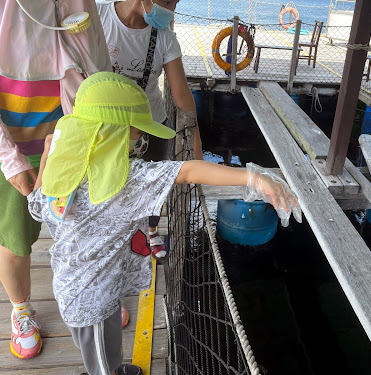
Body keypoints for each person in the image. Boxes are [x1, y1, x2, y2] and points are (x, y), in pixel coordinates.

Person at [27, 72, 301, 375]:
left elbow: (36, 206)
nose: (140, 142)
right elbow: (187, 171)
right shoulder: (129, 181)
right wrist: (253, 178)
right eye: (134, 135)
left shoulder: (64, 175)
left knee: (105, 349)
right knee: (101, 362)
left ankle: (113, 367)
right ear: (113, 136)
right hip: (90, 304)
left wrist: (47, 158)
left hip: (77, 288)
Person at [0, 0, 117, 359]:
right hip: (14, 143)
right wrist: (10, 160)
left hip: (75, 137)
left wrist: (109, 134)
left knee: (88, 229)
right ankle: (21, 310)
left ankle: (95, 300)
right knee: (15, 239)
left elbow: (97, 63)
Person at [97, 0, 204, 262]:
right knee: (107, 188)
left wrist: (196, 139)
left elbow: (182, 96)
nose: (171, 9)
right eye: (167, 1)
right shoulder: (97, 15)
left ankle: (151, 229)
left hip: (151, 125)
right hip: (105, 128)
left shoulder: (165, 37)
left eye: (175, 3)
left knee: (153, 185)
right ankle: (114, 239)